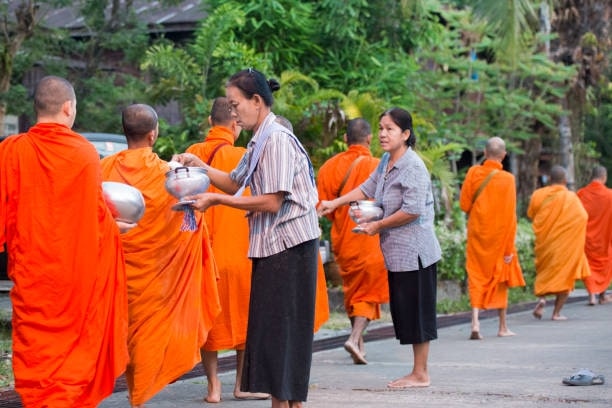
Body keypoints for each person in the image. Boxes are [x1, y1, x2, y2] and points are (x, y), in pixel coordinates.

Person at [174, 68, 320, 408]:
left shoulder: (277, 139)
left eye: (236, 104)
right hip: (272, 246)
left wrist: (215, 200)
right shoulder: (258, 139)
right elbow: (234, 181)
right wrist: (200, 166)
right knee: (270, 332)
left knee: (282, 331)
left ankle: (287, 403)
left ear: (257, 101)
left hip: (290, 246)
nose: (233, 112)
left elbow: (271, 200)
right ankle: (283, 403)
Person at [0, 75, 129, 407]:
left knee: (38, 367)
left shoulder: (11, 152)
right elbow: (97, 220)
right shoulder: (84, 153)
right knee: (72, 370)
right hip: (74, 283)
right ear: (68, 108)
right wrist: (118, 230)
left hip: (33, 279)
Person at [101, 104, 221, 407]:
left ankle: (135, 392)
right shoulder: (170, 176)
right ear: (153, 134)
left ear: (124, 132)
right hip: (156, 276)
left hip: (117, 273)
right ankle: (138, 395)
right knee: (147, 335)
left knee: (124, 330)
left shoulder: (103, 170)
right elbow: (188, 222)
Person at [318, 107, 441, 389]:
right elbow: (367, 188)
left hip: (416, 253)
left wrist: (378, 225)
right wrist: (335, 204)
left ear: (406, 134)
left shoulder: (413, 165)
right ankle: (417, 371)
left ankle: (420, 374)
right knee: (405, 312)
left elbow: (412, 210)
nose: (383, 134)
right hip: (397, 252)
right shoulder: (386, 160)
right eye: (382, 128)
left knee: (418, 312)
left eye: (390, 129)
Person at [186, 97, 270, 403]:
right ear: (236, 125)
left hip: (201, 254)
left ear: (210, 122)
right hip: (241, 251)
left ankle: (213, 387)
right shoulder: (245, 156)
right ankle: (241, 384)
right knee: (245, 318)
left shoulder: (192, 154)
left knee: (209, 319)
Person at [317, 117, 389, 364]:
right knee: (367, 292)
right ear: (369, 139)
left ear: (345, 139)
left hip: (343, 240)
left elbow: (320, 206)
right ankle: (354, 336)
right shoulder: (380, 167)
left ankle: (359, 344)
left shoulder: (329, 167)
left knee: (353, 291)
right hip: (370, 240)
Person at [459, 137, 525, 340]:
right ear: (504, 155)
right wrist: (508, 249)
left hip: (478, 234)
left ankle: (475, 321)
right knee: (500, 278)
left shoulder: (473, 172)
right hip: (499, 238)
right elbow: (511, 216)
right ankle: (502, 326)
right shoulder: (508, 179)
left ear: (485, 154)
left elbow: (464, 205)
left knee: (476, 275)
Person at [527, 165, 591, 320]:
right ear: (565, 180)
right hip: (565, 245)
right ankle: (556, 313)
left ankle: (542, 300)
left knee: (545, 273)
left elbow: (531, 214)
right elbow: (583, 217)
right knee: (565, 277)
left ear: (550, 179)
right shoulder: (571, 197)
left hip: (545, 243)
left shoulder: (538, 194)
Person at [577, 165, 612, 305]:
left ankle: (592, 295)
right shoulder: (610, 195)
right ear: (604, 177)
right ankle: (602, 295)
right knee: (605, 264)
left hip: (586, 238)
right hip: (605, 237)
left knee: (589, 265)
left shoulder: (581, 194)